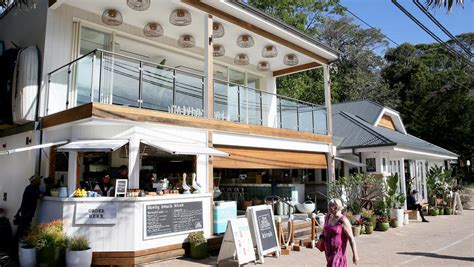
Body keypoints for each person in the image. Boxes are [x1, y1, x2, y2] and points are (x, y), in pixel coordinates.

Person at [320, 198, 359, 266]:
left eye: (329, 206)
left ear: (336, 207)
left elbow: (351, 239)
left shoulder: (343, 221)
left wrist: (355, 254)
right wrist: (321, 238)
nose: (327, 207)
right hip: (328, 250)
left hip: (338, 252)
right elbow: (324, 229)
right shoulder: (328, 217)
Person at [15, 175, 44, 241]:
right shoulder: (31, 188)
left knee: (24, 227)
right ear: (34, 181)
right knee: (23, 228)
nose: (40, 181)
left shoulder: (33, 187)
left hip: (27, 211)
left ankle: (20, 244)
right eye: (38, 179)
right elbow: (40, 195)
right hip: (26, 212)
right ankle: (17, 245)